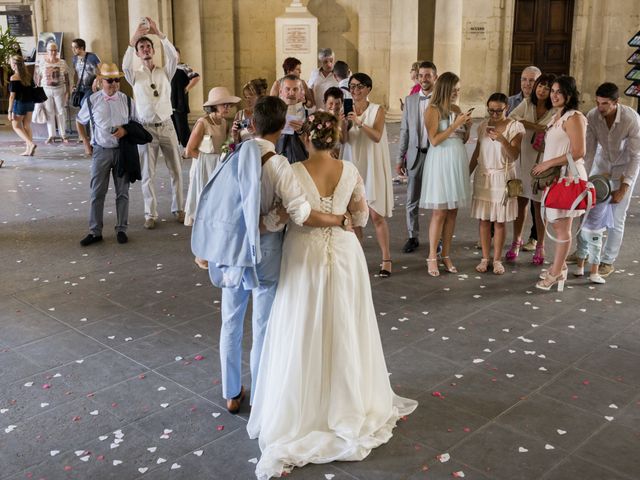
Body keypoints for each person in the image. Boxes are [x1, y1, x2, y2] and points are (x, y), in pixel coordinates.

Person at [247, 111, 418, 480]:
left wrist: (249, 224)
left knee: (303, 325)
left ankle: (304, 410)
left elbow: (279, 219)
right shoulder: (351, 171)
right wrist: (337, 215)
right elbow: (357, 218)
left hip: (303, 256)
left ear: (306, 138)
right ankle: (348, 403)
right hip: (344, 255)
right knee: (345, 325)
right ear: (336, 138)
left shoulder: (291, 172)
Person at [191, 96, 353, 416]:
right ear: (283, 127)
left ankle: (231, 392)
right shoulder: (278, 163)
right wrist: (330, 218)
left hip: (232, 249)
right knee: (263, 323)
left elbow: (218, 203)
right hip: (265, 252)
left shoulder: (234, 155)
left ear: (252, 124)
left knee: (231, 321)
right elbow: (301, 212)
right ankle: (263, 391)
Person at [122, 17, 185, 229]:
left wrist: (159, 33)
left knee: (176, 169)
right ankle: (150, 214)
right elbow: (124, 64)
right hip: (146, 129)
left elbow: (175, 57)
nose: (146, 49)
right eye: (142, 47)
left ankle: (179, 208)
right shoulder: (134, 76)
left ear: (153, 50)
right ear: (138, 54)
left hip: (167, 126)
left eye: (149, 46)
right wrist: (134, 38)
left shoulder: (165, 71)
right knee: (148, 173)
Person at [532, 75, 588, 291]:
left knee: (562, 226)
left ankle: (555, 273)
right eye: (552, 91)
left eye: (559, 91)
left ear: (569, 95)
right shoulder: (558, 116)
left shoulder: (574, 117)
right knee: (557, 223)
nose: (554, 95)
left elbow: (579, 152)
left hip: (568, 177)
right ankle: (561, 267)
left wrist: (547, 164)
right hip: (556, 176)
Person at [578, 82, 640, 277]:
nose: (600, 107)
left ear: (616, 102)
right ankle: (582, 253)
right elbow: (588, 152)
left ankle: (607, 260)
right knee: (586, 208)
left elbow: (636, 156)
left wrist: (624, 187)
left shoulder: (631, 119)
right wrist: (583, 181)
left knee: (617, 216)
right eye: (598, 102)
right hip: (601, 164)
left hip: (625, 167)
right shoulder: (592, 116)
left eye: (605, 104)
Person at [419, 72, 473, 276]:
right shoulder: (432, 110)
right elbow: (434, 140)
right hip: (440, 161)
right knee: (440, 211)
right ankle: (432, 255)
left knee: (453, 211)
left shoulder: (457, 109)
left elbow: (463, 139)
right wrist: (455, 125)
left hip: (457, 158)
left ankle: (447, 254)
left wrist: (467, 128)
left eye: (458, 90)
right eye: (453, 90)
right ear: (444, 89)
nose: (456, 94)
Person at [76, 63, 135, 247]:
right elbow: (79, 121)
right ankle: (95, 231)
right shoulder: (92, 100)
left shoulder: (127, 100)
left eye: (117, 80)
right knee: (97, 192)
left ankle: (122, 229)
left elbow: (136, 124)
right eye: (110, 80)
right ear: (101, 81)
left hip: (122, 151)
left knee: (122, 193)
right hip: (100, 151)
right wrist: (86, 143)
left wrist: (125, 131)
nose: (114, 84)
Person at [344, 72, 395, 277]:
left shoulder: (377, 110)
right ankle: (357, 259)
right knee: (354, 216)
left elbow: (376, 136)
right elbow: (342, 140)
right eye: (352, 86)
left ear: (368, 89)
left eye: (359, 86)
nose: (355, 90)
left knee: (376, 215)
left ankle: (386, 259)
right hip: (351, 162)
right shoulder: (345, 109)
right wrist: (342, 124)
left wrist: (358, 121)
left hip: (371, 164)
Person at [469, 93, 524, 274]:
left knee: (500, 221)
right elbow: (477, 152)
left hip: (502, 177)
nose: (493, 114)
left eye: (498, 111)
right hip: (483, 175)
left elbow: (514, 155)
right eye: (490, 110)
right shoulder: (483, 125)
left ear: (506, 108)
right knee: (484, 220)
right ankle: (485, 258)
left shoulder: (515, 127)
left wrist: (502, 139)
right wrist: (465, 174)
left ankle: (497, 259)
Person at [506, 73, 556, 265]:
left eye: (548, 88)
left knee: (539, 205)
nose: (542, 90)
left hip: (542, 162)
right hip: (522, 160)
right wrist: (536, 126)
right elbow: (512, 118)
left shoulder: (556, 110)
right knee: (520, 202)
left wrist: (535, 127)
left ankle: (540, 245)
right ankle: (516, 241)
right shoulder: (527, 103)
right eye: (540, 86)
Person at [397, 61, 438, 253]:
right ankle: (413, 236)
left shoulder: (442, 101)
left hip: (437, 157)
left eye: (428, 75)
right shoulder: (410, 100)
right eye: (421, 75)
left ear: (435, 77)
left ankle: (435, 238)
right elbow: (404, 131)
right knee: (412, 199)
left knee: (436, 199)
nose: (424, 79)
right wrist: (399, 159)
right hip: (415, 155)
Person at [183, 87, 239, 227]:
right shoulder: (203, 123)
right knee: (201, 206)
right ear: (214, 106)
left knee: (216, 207)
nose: (227, 107)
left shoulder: (225, 123)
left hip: (217, 168)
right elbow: (189, 151)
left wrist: (233, 136)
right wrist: (209, 160)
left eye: (228, 104)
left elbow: (225, 149)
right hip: (201, 169)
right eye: (223, 104)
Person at [35, 41, 71, 144]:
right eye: (51, 50)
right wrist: (38, 92)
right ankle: (51, 135)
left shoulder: (62, 62)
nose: (54, 52)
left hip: (60, 89)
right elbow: (38, 78)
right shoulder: (42, 62)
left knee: (61, 112)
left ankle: (63, 135)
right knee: (49, 112)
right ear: (47, 51)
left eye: (55, 50)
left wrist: (68, 91)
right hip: (46, 90)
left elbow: (68, 78)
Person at [572, 199, 613, 284]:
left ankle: (580, 268)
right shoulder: (605, 193)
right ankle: (594, 274)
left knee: (581, 248)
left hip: (582, 227)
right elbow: (615, 199)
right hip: (595, 229)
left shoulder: (587, 192)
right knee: (595, 251)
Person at [171, 47, 200, 149]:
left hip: (180, 103)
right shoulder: (168, 68)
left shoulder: (184, 67)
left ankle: (188, 147)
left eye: (176, 54)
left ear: (179, 55)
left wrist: (186, 89)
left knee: (182, 128)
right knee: (172, 129)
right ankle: (177, 149)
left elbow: (196, 77)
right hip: (169, 104)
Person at [7, 55, 36, 156]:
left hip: (20, 104)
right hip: (30, 103)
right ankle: (28, 149)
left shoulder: (14, 78)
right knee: (27, 125)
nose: (10, 65)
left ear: (15, 65)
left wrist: (9, 111)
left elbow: (12, 96)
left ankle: (30, 144)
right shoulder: (28, 76)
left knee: (16, 126)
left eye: (11, 64)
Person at [276, 74, 308, 163]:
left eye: (295, 89)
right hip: (277, 160)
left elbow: (310, 147)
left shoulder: (307, 114)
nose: (291, 93)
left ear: (301, 92)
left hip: (300, 161)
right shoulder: (272, 112)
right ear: (280, 91)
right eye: (287, 89)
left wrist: (300, 131)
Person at [232, 78, 268, 144]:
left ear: (260, 96)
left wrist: (256, 134)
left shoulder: (267, 115)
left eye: (251, 96)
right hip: (243, 152)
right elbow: (235, 144)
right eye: (246, 97)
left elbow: (272, 141)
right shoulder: (239, 115)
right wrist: (235, 136)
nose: (247, 100)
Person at [71, 38, 101, 106]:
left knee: (84, 103)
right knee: (79, 104)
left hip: (91, 87)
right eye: (72, 47)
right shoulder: (74, 58)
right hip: (80, 87)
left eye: (75, 47)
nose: (73, 50)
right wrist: (74, 85)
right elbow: (75, 73)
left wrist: (96, 81)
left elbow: (101, 71)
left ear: (82, 48)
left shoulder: (92, 56)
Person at [322, 86, 349, 159]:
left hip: (339, 156)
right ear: (324, 102)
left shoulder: (343, 119)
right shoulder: (319, 118)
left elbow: (343, 141)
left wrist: (340, 123)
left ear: (342, 103)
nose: (334, 107)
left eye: (337, 104)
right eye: (331, 103)